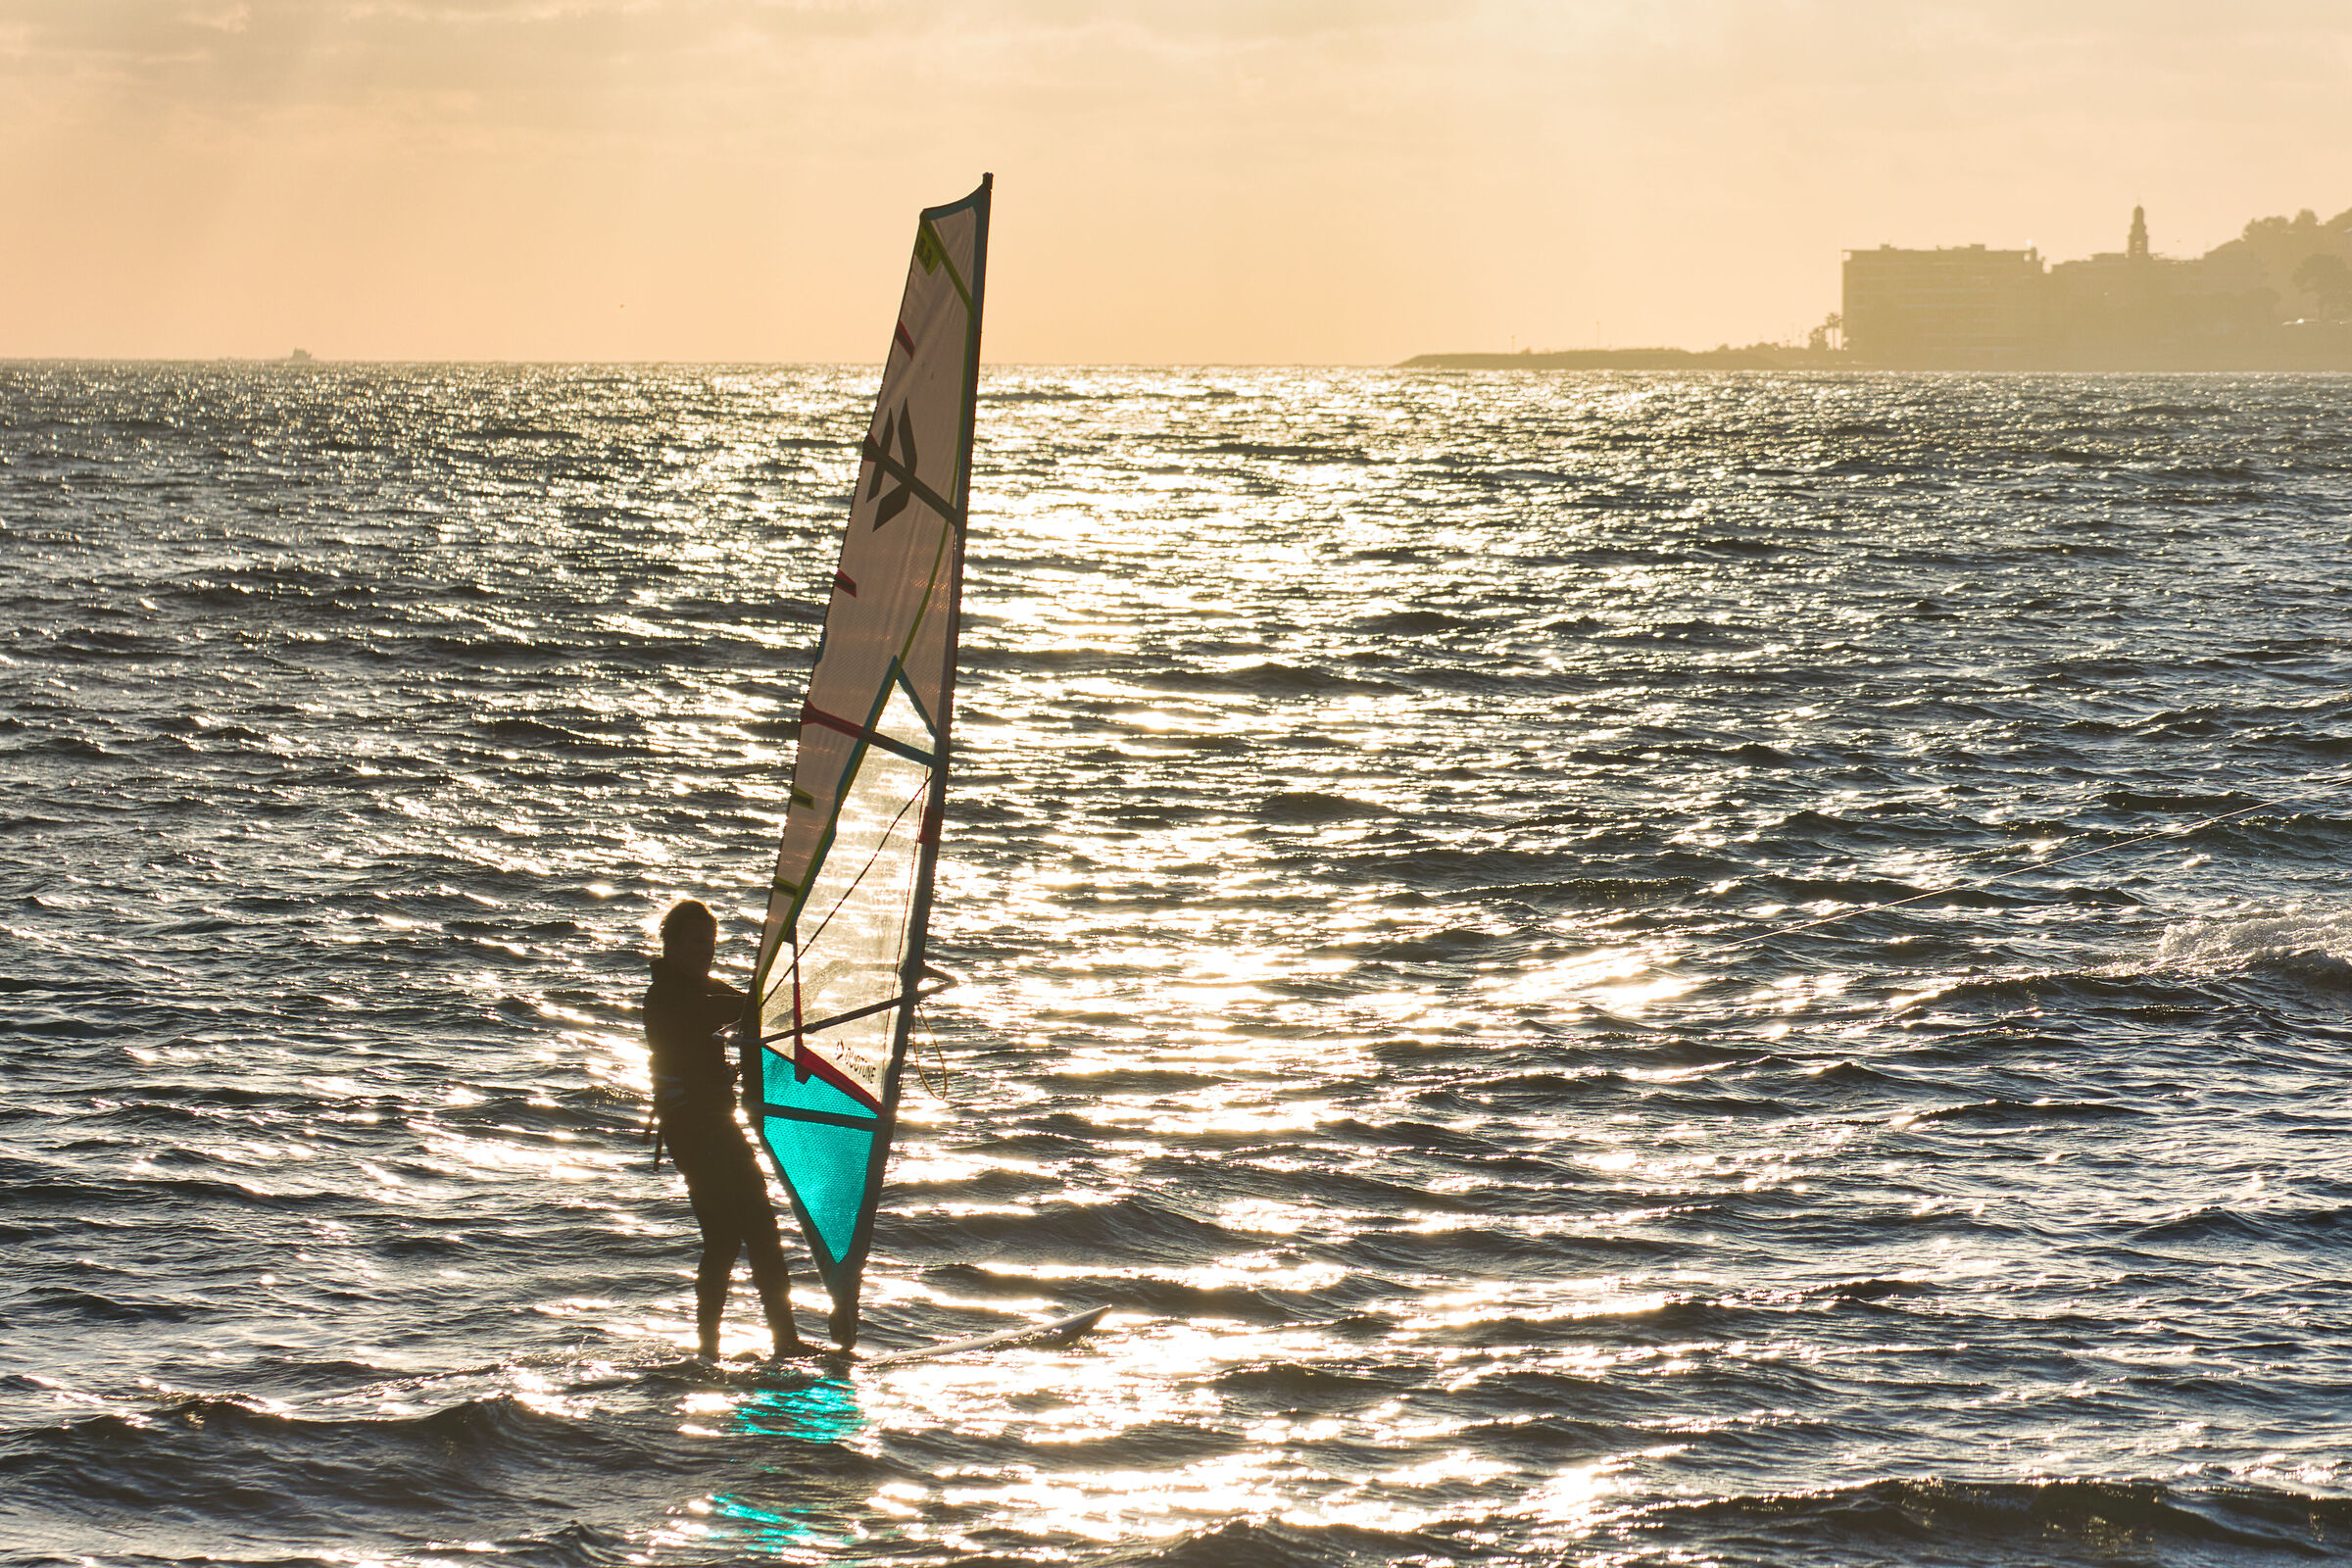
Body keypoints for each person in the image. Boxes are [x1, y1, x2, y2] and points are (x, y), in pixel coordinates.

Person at [641, 899, 809, 1359]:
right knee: (733, 1233)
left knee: (750, 1231)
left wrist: (804, 993)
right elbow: (715, 1010)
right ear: (671, 945)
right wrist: (761, 1000)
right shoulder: (666, 997)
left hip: (717, 1123)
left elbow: (747, 1008)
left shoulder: (703, 988)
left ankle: (770, 1343)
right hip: (692, 1130)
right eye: (696, 943)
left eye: (710, 944)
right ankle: (720, 1348)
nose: (705, 952)